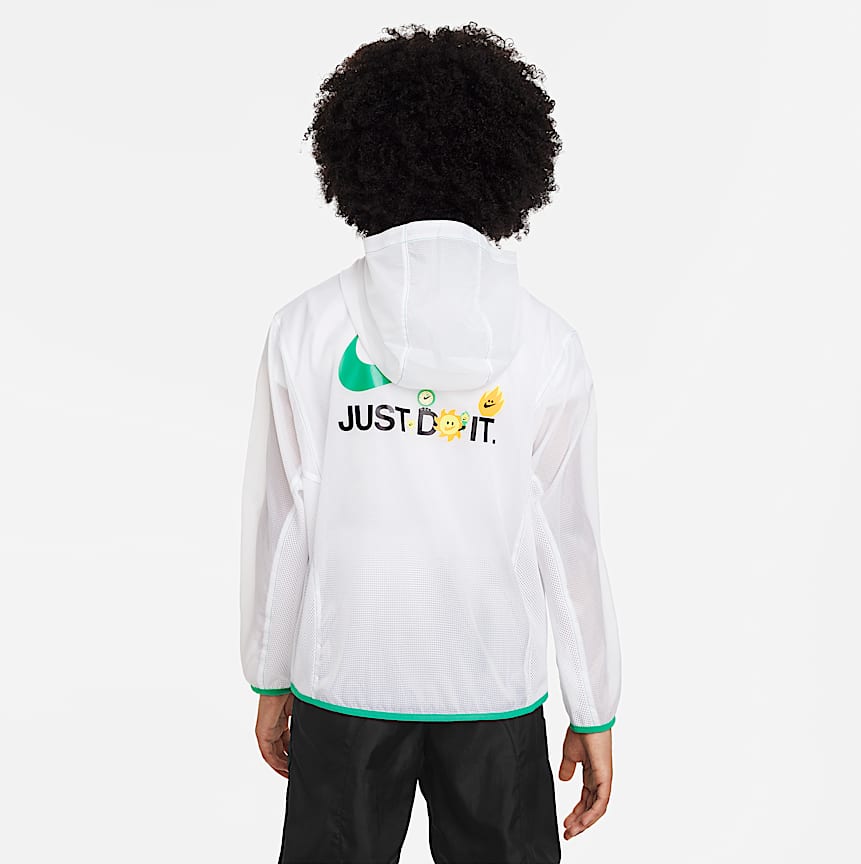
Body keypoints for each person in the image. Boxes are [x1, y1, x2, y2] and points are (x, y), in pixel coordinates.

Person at [239, 21, 622, 864]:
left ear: (357, 155)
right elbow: (569, 540)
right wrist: (593, 707)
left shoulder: (305, 330)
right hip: (492, 686)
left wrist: (269, 676)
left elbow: (284, 521)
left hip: (345, 678)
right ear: (511, 162)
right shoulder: (547, 344)